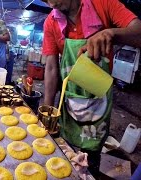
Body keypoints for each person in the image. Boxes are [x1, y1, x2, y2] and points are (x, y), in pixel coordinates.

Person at [41, 0, 141, 177]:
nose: (50, 4)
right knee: (64, 158)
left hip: (98, 101)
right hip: (70, 100)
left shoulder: (103, 4)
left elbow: (138, 32)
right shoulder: (51, 22)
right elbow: (50, 67)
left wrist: (111, 33)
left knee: (90, 161)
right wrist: (47, 115)